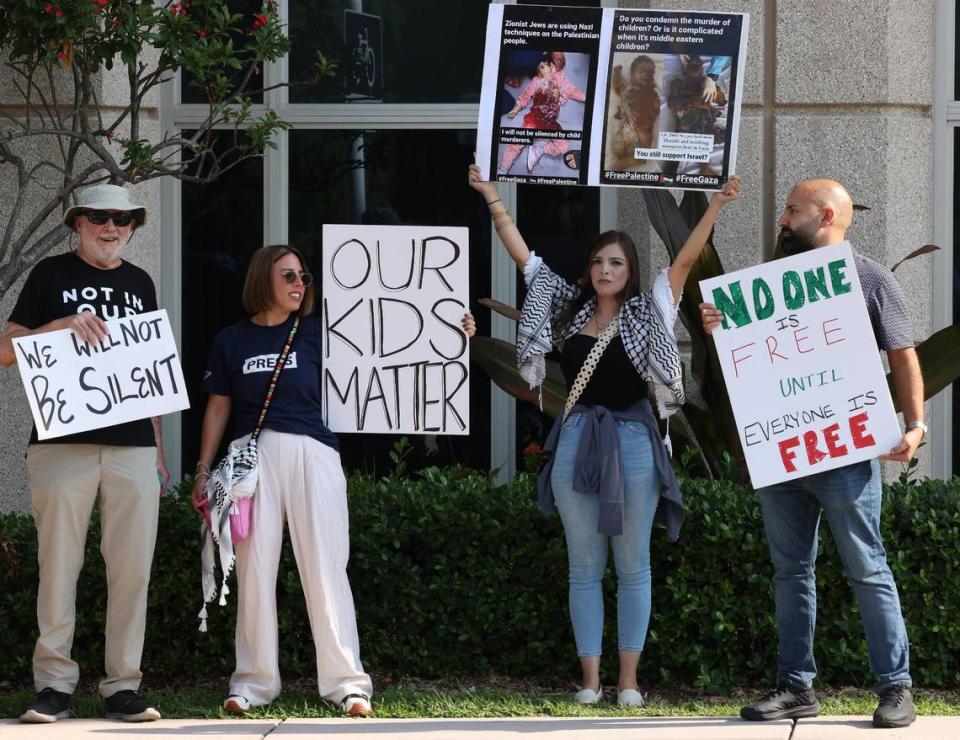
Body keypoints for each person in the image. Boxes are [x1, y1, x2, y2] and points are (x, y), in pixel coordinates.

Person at [469, 163, 741, 704]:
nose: (604, 268)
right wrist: (492, 197)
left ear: (630, 269)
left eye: (615, 261)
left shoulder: (650, 309)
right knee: (584, 566)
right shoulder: (567, 312)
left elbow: (686, 257)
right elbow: (523, 256)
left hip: (636, 441)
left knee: (633, 563)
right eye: (597, 261)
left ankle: (629, 682)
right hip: (576, 441)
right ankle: (591, 682)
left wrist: (716, 203)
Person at [190, 244, 475, 717]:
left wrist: (454, 330)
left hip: (314, 452)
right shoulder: (231, 340)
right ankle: (253, 682)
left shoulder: (322, 332)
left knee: (326, 566)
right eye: (288, 276)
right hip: (251, 460)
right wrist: (203, 468)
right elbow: (218, 405)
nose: (299, 283)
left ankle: (347, 683)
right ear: (263, 280)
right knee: (255, 570)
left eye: (303, 276)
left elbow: (394, 343)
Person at [700, 179, 922, 729]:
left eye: (792, 209)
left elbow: (903, 354)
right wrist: (720, 325)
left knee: (868, 568)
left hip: (845, 455)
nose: (782, 217)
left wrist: (914, 425)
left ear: (824, 215)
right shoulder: (768, 286)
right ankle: (795, 686)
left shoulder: (869, 278)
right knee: (790, 571)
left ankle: (896, 686)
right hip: (784, 454)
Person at [0, 184, 167, 724]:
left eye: (124, 219)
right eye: (99, 217)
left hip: (134, 446)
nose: (112, 227)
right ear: (78, 223)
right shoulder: (50, 276)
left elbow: (149, 374)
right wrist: (56, 327)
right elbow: (5, 349)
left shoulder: (141, 283)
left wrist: (159, 450)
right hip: (61, 445)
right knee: (59, 567)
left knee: (133, 569)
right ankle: (53, 686)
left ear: (134, 226)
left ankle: (123, 685)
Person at [499, 51, 587, 175]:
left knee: (563, 144)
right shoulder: (536, 82)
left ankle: (538, 150)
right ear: (539, 72)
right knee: (518, 141)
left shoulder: (560, 77)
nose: (547, 66)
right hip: (535, 118)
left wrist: (585, 97)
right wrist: (516, 108)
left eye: (547, 63)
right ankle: (503, 168)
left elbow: (571, 90)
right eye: (542, 66)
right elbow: (525, 96)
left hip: (550, 122)